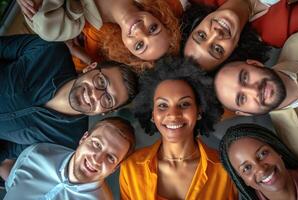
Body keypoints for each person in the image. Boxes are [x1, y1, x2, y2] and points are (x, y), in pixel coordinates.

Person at [214, 29, 298, 166]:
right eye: (242, 98)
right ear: (245, 113)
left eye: (245, 77)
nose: (254, 90)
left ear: (255, 64)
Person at [0, 34, 137, 165]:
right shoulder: (50, 51)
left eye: (107, 100)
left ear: (104, 112)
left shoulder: (68, 142)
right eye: (101, 81)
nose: (95, 95)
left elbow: (9, 150)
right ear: (90, 68)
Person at [120, 57, 237, 199]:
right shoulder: (131, 168)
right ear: (152, 115)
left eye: (184, 104)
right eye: (163, 105)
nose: (173, 115)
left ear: (199, 111)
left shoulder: (226, 169)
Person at [17, 0, 184, 72]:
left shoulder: (69, 26)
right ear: (159, 17)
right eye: (153, 28)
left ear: (126, 48)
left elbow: (35, 10)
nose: (139, 31)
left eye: (139, 45)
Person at [1, 117, 136, 200]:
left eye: (111, 158)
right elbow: (11, 187)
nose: (97, 159)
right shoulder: (36, 154)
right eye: (97, 144)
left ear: (115, 168)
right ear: (84, 138)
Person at [184, 0, 298, 70]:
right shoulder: (277, 32)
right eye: (217, 49)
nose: (215, 33)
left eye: (201, 35)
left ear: (197, 22)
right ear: (233, 52)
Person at [219, 124, 298, 200]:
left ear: (277, 151)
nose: (261, 169)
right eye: (247, 168)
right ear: (242, 180)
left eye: (263, 153)